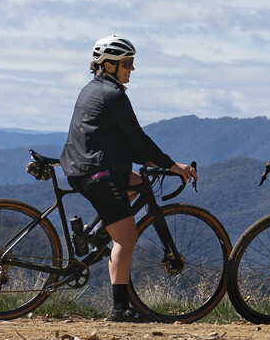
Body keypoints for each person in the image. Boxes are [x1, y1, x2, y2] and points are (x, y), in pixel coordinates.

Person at [60, 36, 196, 322]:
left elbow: (123, 141)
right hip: (98, 173)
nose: (132, 69)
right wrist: (171, 165)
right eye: (127, 63)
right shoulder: (114, 95)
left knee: (137, 183)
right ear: (108, 65)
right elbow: (138, 139)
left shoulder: (91, 89)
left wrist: (151, 161)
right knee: (126, 237)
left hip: (79, 167)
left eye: (132, 62)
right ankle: (120, 309)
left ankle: (92, 231)